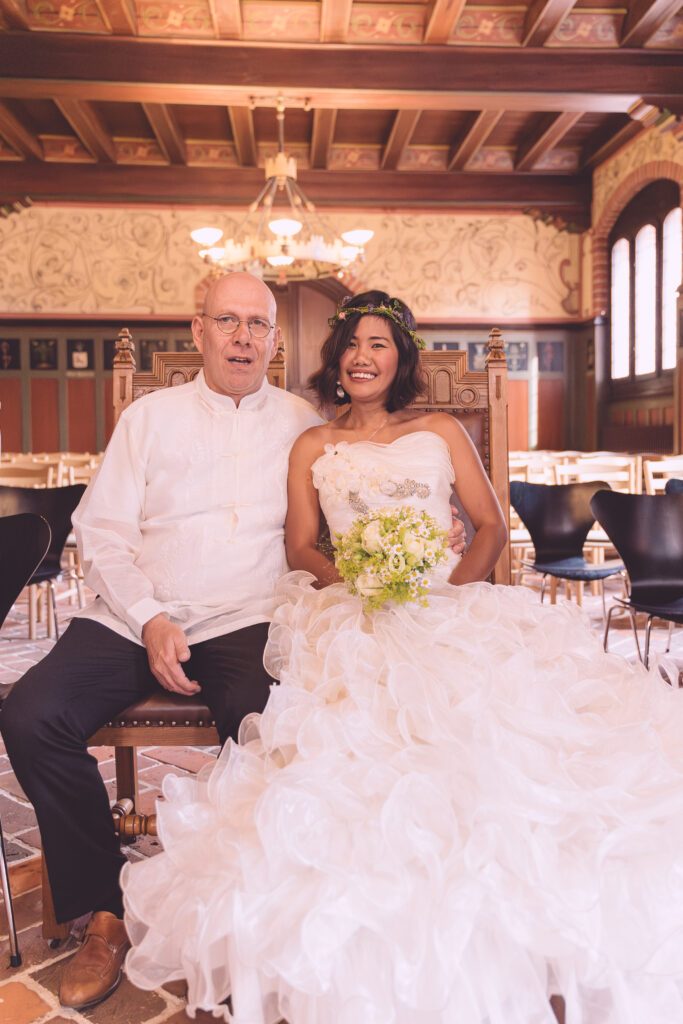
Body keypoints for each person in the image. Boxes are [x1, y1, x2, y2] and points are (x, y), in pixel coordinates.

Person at [122, 290, 683, 1024]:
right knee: (359, 742)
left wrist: (446, 591)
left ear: (401, 358)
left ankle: (504, 898)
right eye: (351, 342)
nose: (362, 355)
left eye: (379, 343)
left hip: (446, 602)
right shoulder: (310, 444)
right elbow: (299, 545)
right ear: (336, 357)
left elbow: (485, 527)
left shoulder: (442, 428)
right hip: (350, 609)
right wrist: (355, 586)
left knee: (497, 733)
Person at [2, 274, 441, 1012]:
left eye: (258, 326)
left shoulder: (303, 421)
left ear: (274, 340)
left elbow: (349, 506)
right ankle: (104, 910)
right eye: (228, 321)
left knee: (269, 722)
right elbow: (101, 531)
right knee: (31, 713)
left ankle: (250, 908)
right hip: (133, 612)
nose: (243, 337)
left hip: (247, 613)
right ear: (197, 330)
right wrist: (148, 616)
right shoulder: (148, 417)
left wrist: (429, 535)